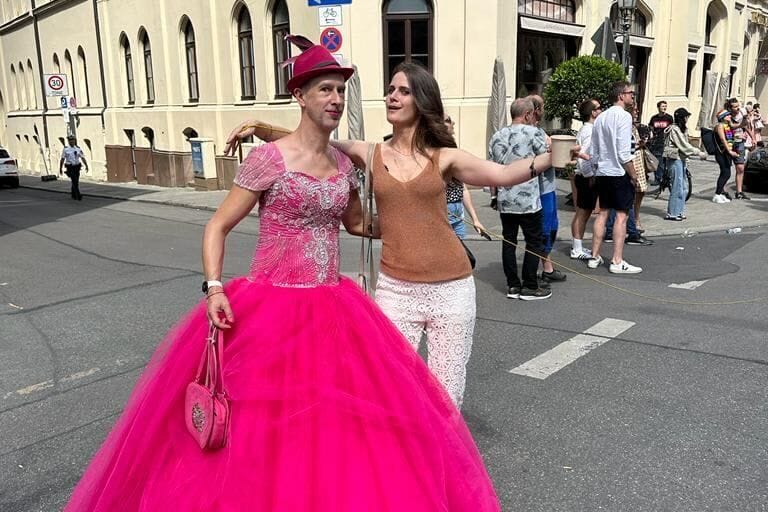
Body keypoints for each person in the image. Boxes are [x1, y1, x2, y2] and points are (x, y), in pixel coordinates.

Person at [64, 42, 502, 511]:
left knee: (335, 422)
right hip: (270, 307)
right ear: (301, 95)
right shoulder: (268, 159)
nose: (334, 99)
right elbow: (218, 226)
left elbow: (358, 224)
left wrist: (422, 221)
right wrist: (213, 287)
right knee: (261, 425)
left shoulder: (343, 165)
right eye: (324, 90)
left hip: (333, 305)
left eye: (340, 90)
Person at [225, 62, 563, 408]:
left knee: (446, 395)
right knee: (391, 388)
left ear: (422, 101)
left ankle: (438, 460)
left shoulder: (444, 156)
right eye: (390, 90)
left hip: (452, 290)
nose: (393, 96)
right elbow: (309, 142)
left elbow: (503, 174)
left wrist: (553, 156)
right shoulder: (369, 153)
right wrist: (259, 128)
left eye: (403, 91)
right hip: (395, 290)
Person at [489, 97, 551, 300]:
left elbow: (492, 168)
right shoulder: (534, 133)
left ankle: (513, 285)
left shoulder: (497, 135)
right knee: (534, 241)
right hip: (528, 198)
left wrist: (493, 195)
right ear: (527, 114)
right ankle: (530, 285)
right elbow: (546, 158)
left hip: (505, 198)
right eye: (533, 113)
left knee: (509, 241)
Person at [586, 81, 643, 274]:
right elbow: (623, 152)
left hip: (603, 171)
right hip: (618, 172)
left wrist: (595, 169)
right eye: (631, 94)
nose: (632, 97)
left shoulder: (601, 118)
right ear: (621, 95)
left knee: (602, 213)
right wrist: (633, 175)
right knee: (621, 216)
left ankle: (594, 256)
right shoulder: (624, 117)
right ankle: (617, 260)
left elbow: (594, 149)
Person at [527, 94, 567, 284]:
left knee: (550, 227)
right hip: (539, 188)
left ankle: (546, 267)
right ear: (536, 111)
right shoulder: (530, 132)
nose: (544, 111)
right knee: (542, 229)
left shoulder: (538, 131)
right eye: (542, 107)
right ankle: (538, 270)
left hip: (546, 186)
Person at [443, 115, 485, 239]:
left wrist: (475, 219)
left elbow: (462, 188)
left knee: (461, 254)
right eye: (449, 120)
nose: (453, 123)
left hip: (458, 210)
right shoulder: (436, 153)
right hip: (444, 211)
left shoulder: (453, 149)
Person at [662, 108, 706, 220]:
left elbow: (685, 145)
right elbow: (684, 146)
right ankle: (673, 213)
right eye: (686, 117)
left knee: (684, 187)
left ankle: (679, 211)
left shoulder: (682, 130)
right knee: (677, 186)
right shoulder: (674, 130)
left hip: (681, 159)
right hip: (675, 159)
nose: (687, 119)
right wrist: (698, 152)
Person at [571, 99, 600, 261]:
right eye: (598, 108)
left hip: (583, 176)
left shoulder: (586, 129)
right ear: (592, 112)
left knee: (582, 213)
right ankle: (577, 247)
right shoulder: (589, 131)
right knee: (583, 213)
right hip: (585, 177)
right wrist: (590, 176)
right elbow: (584, 157)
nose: (601, 111)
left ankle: (578, 245)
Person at [726, 98, 753, 200]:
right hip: (729, 143)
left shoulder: (741, 113)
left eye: (738, 106)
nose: (738, 108)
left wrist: (752, 137)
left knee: (740, 168)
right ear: (730, 108)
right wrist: (742, 124)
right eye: (735, 106)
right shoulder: (727, 116)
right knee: (726, 169)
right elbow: (731, 127)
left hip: (740, 143)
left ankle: (739, 192)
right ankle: (722, 191)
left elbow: (745, 127)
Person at [712, 109, 737, 203]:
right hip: (721, 153)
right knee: (725, 173)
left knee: (726, 173)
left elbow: (729, 137)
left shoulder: (727, 126)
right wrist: (730, 152)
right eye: (728, 115)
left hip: (725, 153)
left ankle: (720, 193)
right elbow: (723, 139)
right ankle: (717, 194)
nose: (730, 116)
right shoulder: (719, 126)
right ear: (723, 117)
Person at [648, 100, 673, 185]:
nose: (664, 108)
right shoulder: (654, 118)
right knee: (655, 161)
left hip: (665, 141)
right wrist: (651, 135)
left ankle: (662, 178)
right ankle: (658, 178)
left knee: (663, 161)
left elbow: (671, 128)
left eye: (665, 106)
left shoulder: (669, 118)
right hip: (656, 141)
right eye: (662, 106)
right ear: (658, 107)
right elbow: (651, 128)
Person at [59, 136, 88, 200]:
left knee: (76, 181)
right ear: (68, 141)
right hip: (70, 167)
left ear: (75, 141)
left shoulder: (78, 149)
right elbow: (62, 159)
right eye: (70, 140)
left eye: (73, 140)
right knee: (74, 180)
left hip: (77, 167)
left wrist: (86, 165)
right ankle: (78, 195)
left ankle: (73, 194)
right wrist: (60, 168)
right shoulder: (66, 149)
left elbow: (82, 157)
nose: (72, 141)